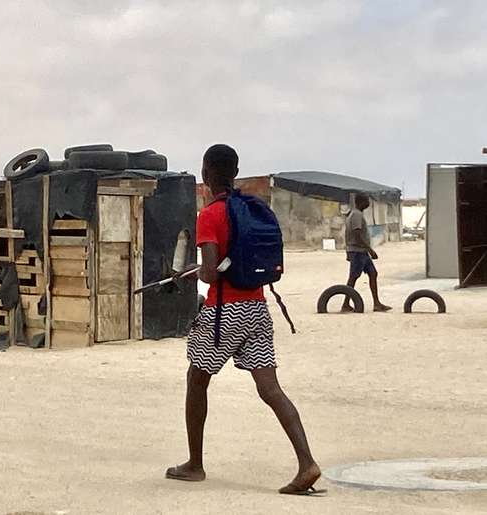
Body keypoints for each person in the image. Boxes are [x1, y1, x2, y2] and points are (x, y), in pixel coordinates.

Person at [165, 144, 323, 495]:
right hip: (258, 308)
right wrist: (208, 270)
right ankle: (307, 462)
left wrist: (194, 273)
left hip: (224, 312)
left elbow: (211, 273)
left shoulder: (210, 215)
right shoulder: (252, 208)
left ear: (206, 174)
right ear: (234, 173)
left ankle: (195, 464)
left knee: (196, 379)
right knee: (271, 389)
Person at [341, 193, 392, 312]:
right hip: (358, 251)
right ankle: (346, 303)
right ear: (361, 202)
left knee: (373, 274)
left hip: (361, 251)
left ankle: (376, 303)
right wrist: (370, 249)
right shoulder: (356, 215)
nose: (368, 203)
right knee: (353, 277)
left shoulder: (355, 214)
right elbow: (356, 233)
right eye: (367, 201)